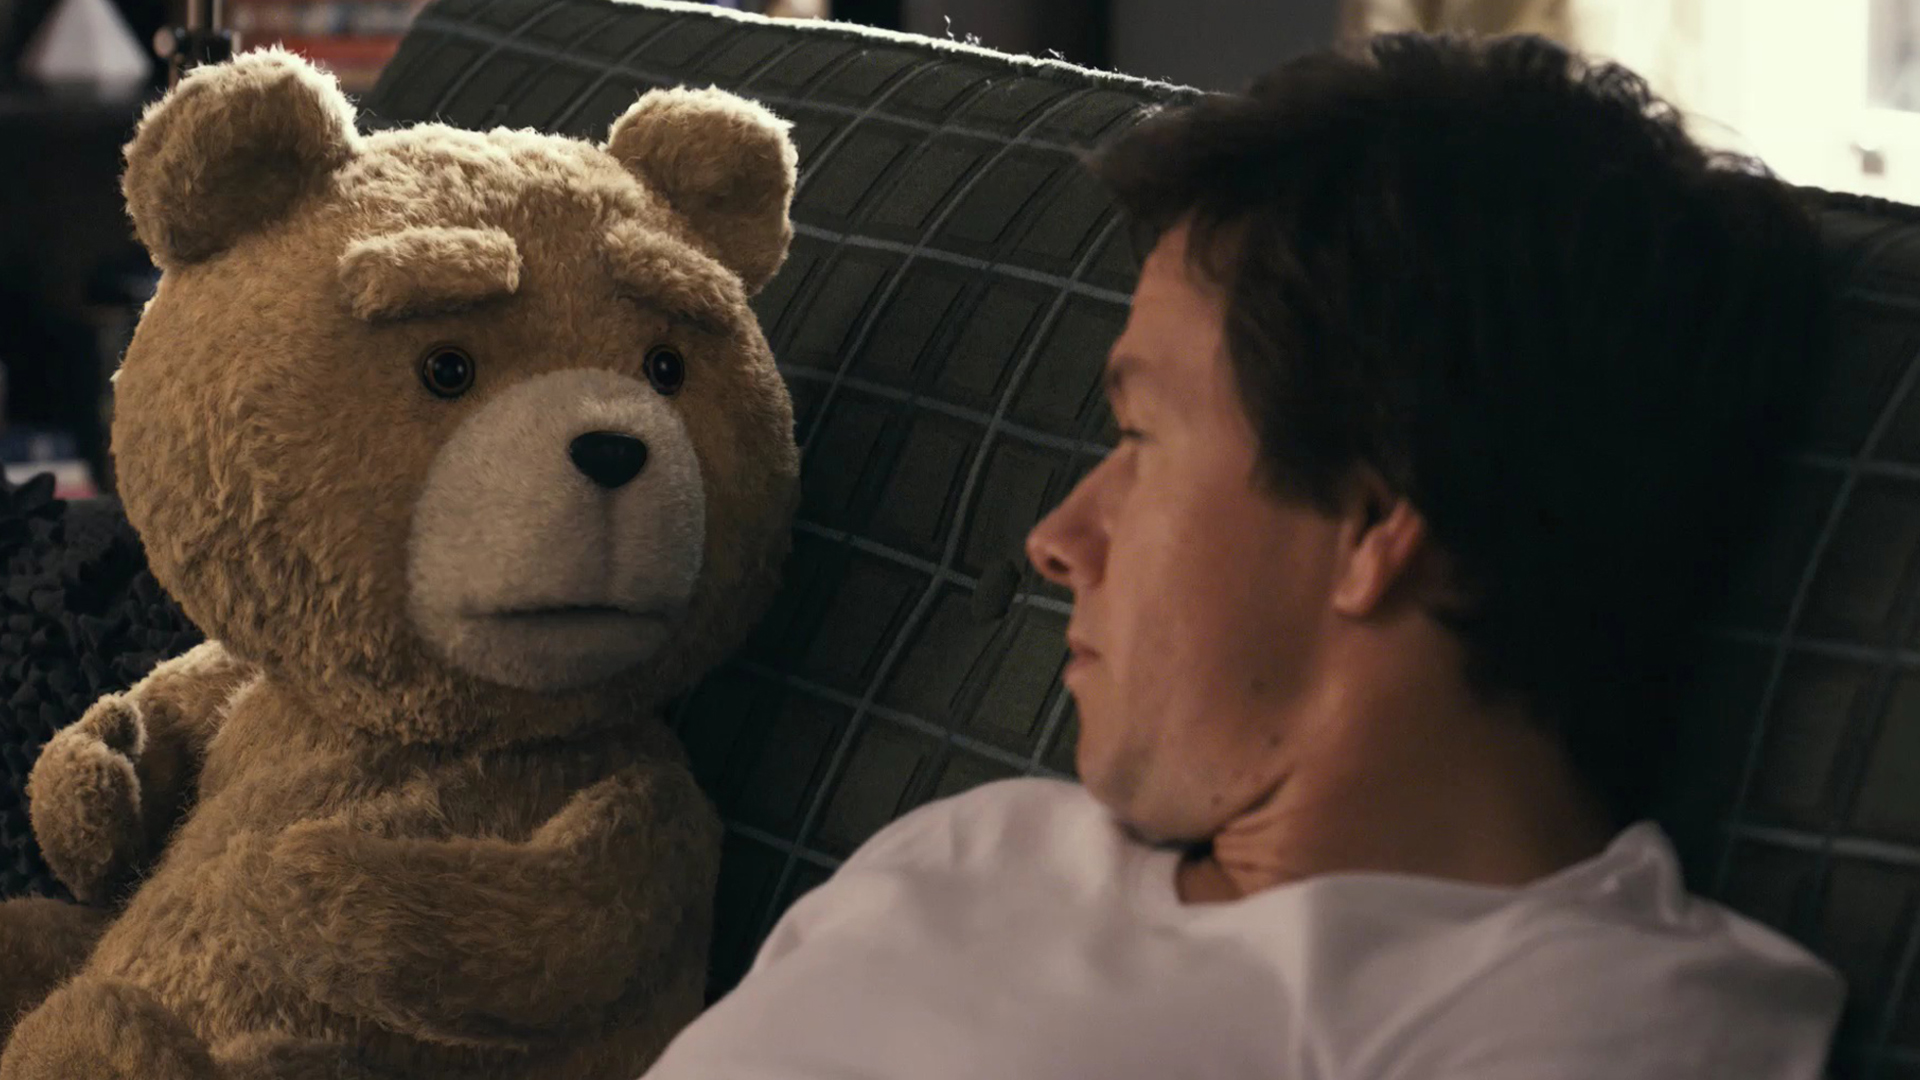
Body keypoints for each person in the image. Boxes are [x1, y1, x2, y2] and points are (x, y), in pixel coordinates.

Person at [644, 31, 1845, 1079]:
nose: (1056, 542)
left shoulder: (1597, 1023)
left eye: (1139, 437)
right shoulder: (973, 848)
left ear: (1372, 525)